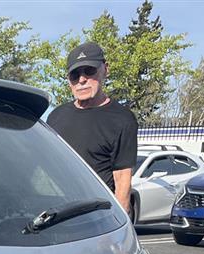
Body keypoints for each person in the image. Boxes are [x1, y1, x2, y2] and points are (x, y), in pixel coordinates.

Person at [47, 42, 138, 214]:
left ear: (105, 69)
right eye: (75, 74)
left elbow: (122, 183)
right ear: (69, 80)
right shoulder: (56, 117)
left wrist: (118, 232)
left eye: (89, 71)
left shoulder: (122, 119)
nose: (82, 80)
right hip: (59, 216)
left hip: (99, 217)